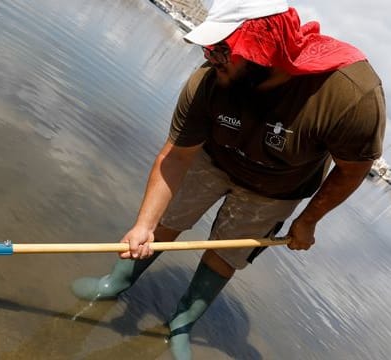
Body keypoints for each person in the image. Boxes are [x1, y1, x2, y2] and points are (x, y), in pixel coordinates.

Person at [72, 0, 386, 358]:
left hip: (276, 187)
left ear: (261, 51)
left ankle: (181, 322)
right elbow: (176, 156)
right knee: (164, 221)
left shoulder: (351, 95)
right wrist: (143, 226)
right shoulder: (209, 82)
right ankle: (118, 281)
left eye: (221, 51)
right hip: (214, 157)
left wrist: (308, 221)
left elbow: (353, 170)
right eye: (209, 49)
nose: (209, 59)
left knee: (227, 252)